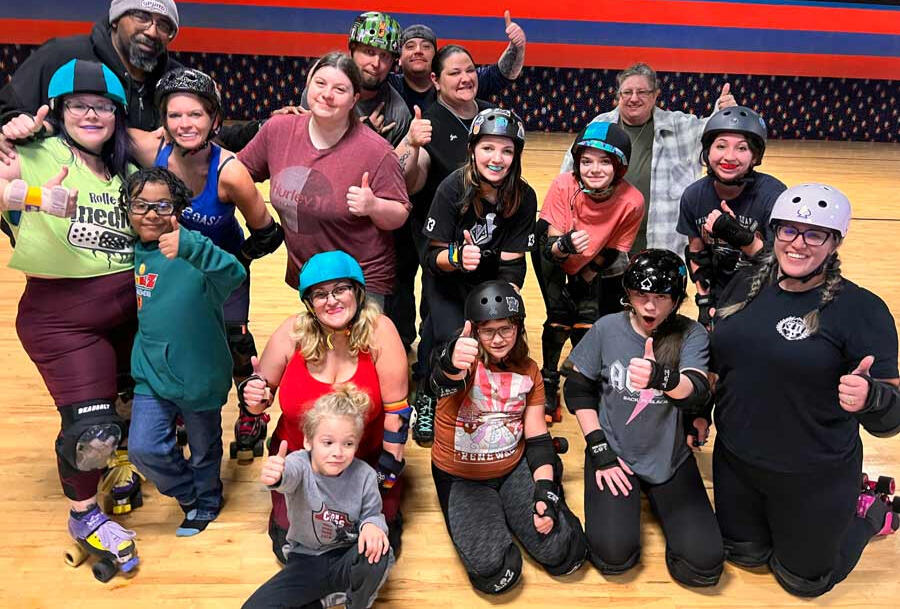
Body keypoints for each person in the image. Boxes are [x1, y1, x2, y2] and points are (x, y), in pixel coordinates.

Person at [710, 183, 900, 596]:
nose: (798, 244)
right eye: (788, 231)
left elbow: (891, 421)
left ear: (834, 242)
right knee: (743, 556)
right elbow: (719, 364)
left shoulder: (862, 310)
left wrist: (872, 399)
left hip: (813, 473)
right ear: (774, 232)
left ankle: (871, 511)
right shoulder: (745, 286)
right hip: (737, 462)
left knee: (805, 583)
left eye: (814, 234)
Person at [0, 59, 138, 576]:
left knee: (128, 405)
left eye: (102, 106)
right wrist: (32, 196)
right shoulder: (32, 151)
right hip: (63, 319)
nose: (91, 114)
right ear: (57, 110)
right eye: (79, 105)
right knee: (93, 430)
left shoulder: (122, 166)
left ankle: (120, 465)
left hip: (129, 308)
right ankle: (84, 516)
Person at [130, 66, 283, 461]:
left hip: (222, 270)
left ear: (214, 119)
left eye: (195, 114)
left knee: (233, 340)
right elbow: (98, 129)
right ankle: (182, 404)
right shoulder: (153, 151)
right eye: (175, 115)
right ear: (162, 120)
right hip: (175, 268)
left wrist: (235, 263)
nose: (185, 124)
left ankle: (251, 411)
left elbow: (269, 233)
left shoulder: (229, 172)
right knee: (182, 335)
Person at [563, 249, 724, 586]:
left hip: (669, 455)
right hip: (613, 452)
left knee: (704, 564)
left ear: (678, 299)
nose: (651, 306)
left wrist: (660, 378)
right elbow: (577, 389)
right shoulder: (607, 328)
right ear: (628, 294)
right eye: (642, 296)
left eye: (662, 297)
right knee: (613, 556)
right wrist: (598, 448)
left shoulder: (691, 334)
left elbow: (696, 390)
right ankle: (635, 488)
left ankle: (653, 490)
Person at [239, 250, 409, 562]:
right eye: (320, 294)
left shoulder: (380, 331)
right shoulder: (292, 332)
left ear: (357, 292)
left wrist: (387, 474)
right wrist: (253, 400)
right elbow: (258, 400)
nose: (331, 301)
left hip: (364, 464)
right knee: (295, 549)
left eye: (340, 289)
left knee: (374, 549)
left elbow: (397, 414)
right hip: (302, 465)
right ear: (309, 303)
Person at [429, 280, 587, 593]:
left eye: (506, 328)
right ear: (474, 331)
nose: (498, 339)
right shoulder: (466, 361)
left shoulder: (529, 371)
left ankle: (545, 488)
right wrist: (449, 361)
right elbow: (439, 383)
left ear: (518, 328)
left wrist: (544, 490)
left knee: (562, 553)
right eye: (488, 330)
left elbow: (539, 440)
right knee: (495, 571)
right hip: (463, 478)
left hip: (512, 469)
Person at [123, 166, 246, 536]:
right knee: (144, 449)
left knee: (205, 448)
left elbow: (234, 274)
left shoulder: (193, 250)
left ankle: (207, 501)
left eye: (161, 205)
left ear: (178, 210)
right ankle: (190, 495)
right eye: (140, 205)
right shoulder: (132, 251)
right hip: (152, 374)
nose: (149, 213)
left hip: (200, 377)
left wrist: (190, 247)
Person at [238, 52, 410, 309]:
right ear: (308, 84)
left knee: (360, 350)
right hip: (312, 279)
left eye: (340, 89)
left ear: (354, 100)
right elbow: (236, 173)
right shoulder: (279, 131)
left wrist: (373, 206)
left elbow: (400, 212)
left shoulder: (377, 151)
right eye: (320, 84)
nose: (327, 94)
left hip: (360, 282)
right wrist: (259, 221)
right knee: (317, 349)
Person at [414, 107, 537, 446]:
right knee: (445, 335)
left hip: (490, 279)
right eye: (488, 148)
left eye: (507, 150)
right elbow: (430, 256)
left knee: (497, 336)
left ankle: (483, 394)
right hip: (447, 277)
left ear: (516, 155)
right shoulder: (452, 188)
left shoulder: (523, 197)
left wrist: (504, 311)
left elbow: (512, 266)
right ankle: (426, 393)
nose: (497, 158)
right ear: (472, 149)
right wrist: (457, 256)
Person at [389, 44, 496, 361]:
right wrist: (413, 144)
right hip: (441, 244)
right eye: (455, 73)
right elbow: (409, 183)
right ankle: (429, 384)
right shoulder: (427, 123)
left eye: (470, 70)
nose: (465, 78)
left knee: (487, 316)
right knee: (440, 323)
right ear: (436, 80)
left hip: (487, 238)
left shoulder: (493, 116)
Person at [242, 386, 393, 609]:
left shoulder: (365, 475)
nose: (338, 452)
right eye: (328, 442)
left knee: (380, 551)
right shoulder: (299, 464)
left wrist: (372, 526)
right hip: (307, 560)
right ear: (308, 441)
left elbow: (372, 514)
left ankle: (355, 602)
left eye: (348, 443)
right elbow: (287, 477)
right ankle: (327, 599)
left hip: (346, 557)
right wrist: (276, 475)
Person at [561, 62, 737, 253]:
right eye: (627, 92)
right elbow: (568, 176)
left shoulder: (679, 126)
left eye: (642, 92)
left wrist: (723, 113)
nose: (633, 98)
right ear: (618, 96)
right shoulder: (599, 126)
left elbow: (713, 135)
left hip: (662, 245)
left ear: (654, 95)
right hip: (604, 243)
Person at [533, 121, 644, 419]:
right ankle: (549, 380)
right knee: (558, 319)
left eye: (604, 162)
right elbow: (550, 250)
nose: (594, 169)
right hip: (553, 249)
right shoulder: (563, 185)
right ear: (577, 163)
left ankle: (583, 376)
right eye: (586, 161)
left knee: (586, 320)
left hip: (592, 259)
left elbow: (613, 249)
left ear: (618, 167)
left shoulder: (632, 201)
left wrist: (585, 277)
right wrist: (566, 245)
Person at [677, 106, 785, 327]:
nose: (729, 157)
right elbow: (697, 254)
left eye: (742, 148)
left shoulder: (773, 196)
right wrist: (704, 301)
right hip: (721, 294)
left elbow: (779, 263)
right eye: (721, 146)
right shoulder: (694, 196)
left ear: (755, 156)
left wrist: (738, 235)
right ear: (707, 152)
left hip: (766, 293)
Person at [298, 12, 410, 148]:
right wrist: (356, 134)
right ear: (351, 51)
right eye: (369, 52)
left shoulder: (399, 113)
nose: (376, 63)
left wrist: (372, 145)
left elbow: (394, 168)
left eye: (385, 56)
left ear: (393, 63)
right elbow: (304, 152)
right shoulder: (322, 91)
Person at [390, 11, 526, 113]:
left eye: (426, 46)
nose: (418, 50)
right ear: (399, 59)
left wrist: (517, 46)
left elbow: (502, 74)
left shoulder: (459, 81)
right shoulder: (388, 86)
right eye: (410, 46)